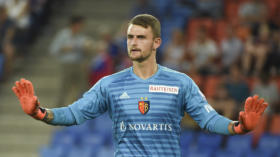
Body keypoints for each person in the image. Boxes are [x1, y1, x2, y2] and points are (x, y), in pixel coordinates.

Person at [12, 14, 268, 157]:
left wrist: (239, 126)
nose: (133, 42)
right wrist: (40, 112)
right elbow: (75, 113)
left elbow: (209, 120)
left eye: (141, 37)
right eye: (130, 37)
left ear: (156, 42)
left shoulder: (181, 83)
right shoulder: (109, 84)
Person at [49, 15, 94, 107]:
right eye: (80, 25)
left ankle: (83, 107)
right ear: (74, 24)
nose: (81, 27)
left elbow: (87, 48)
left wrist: (87, 48)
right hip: (67, 64)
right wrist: (65, 48)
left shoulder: (81, 36)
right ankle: (59, 108)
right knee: (64, 87)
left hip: (79, 64)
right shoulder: (63, 35)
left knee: (83, 86)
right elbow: (53, 49)